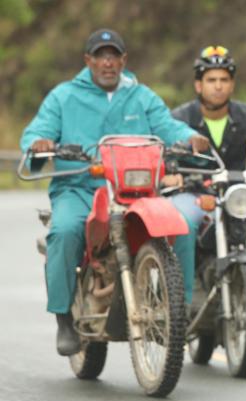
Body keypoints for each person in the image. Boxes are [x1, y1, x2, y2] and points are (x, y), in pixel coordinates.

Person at [20, 29, 210, 356]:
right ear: (88, 61)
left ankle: (176, 310)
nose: (107, 63)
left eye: (113, 56)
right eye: (100, 56)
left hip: (136, 190)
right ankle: (64, 316)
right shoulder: (63, 96)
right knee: (64, 231)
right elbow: (37, 133)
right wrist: (39, 144)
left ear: (123, 60)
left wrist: (191, 138)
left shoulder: (142, 96)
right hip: (79, 187)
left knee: (182, 224)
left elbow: (169, 128)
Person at [169, 45, 246, 320]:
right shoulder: (179, 119)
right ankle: (182, 296)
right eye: (211, 80)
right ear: (198, 85)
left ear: (232, 85)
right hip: (193, 194)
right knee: (182, 222)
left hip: (236, 196)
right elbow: (163, 152)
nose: (218, 86)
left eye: (224, 80)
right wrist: (171, 173)